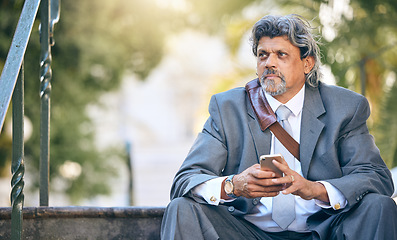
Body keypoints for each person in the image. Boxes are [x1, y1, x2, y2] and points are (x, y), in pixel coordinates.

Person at [160, 14, 397, 240]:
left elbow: (376, 177)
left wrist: (315, 189)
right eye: (263, 55)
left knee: (378, 205)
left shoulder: (345, 107)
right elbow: (185, 180)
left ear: (307, 63)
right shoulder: (228, 108)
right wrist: (234, 185)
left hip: (324, 229)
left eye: (281, 54)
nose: (269, 63)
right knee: (182, 208)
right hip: (246, 231)